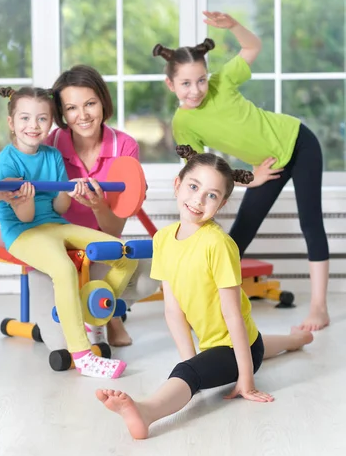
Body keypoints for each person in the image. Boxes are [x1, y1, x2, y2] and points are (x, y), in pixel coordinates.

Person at [96, 146, 314, 439]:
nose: (198, 200)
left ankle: (146, 412)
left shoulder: (218, 244)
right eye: (193, 186)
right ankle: (297, 338)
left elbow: (232, 313)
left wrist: (245, 380)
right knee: (248, 346)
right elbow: (173, 310)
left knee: (199, 371)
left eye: (211, 195)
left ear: (221, 203)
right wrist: (190, 357)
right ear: (177, 184)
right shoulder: (162, 239)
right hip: (230, 342)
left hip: (238, 345)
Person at [152, 11, 330, 332]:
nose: (195, 90)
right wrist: (250, 178)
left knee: (310, 221)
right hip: (267, 166)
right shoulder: (183, 124)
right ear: (170, 84)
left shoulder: (223, 82)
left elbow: (252, 48)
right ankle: (210, 305)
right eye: (185, 83)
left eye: (201, 80)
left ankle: (319, 307)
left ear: (209, 75)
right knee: (236, 238)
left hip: (298, 142)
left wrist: (234, 27)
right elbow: (202, 170)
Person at [0, 86, 138, 378]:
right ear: (11, 122)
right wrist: (23, 197)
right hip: (23, 232)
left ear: (51, 122)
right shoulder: (7, 162)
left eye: (42, 119)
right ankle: (84, 356)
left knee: (122, 253)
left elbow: (59, 207)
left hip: (56, 225)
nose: (33, 126)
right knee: (63, 268)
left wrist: (74, 189)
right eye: (25, 118)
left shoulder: (52, 155)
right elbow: (26, 216)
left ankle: (90, 309)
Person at [27, 65, 159, 351]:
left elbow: (114, 229)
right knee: (61, 344)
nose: (83, 115)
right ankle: (103, 314)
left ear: (103, 101)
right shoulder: (49, 146)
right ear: (62, 113)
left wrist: (99, 206)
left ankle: (109, 313)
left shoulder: (125, 146)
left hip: (101, 246)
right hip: (60, 248)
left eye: (90, 103)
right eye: (72, 108)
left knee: (149, 277)